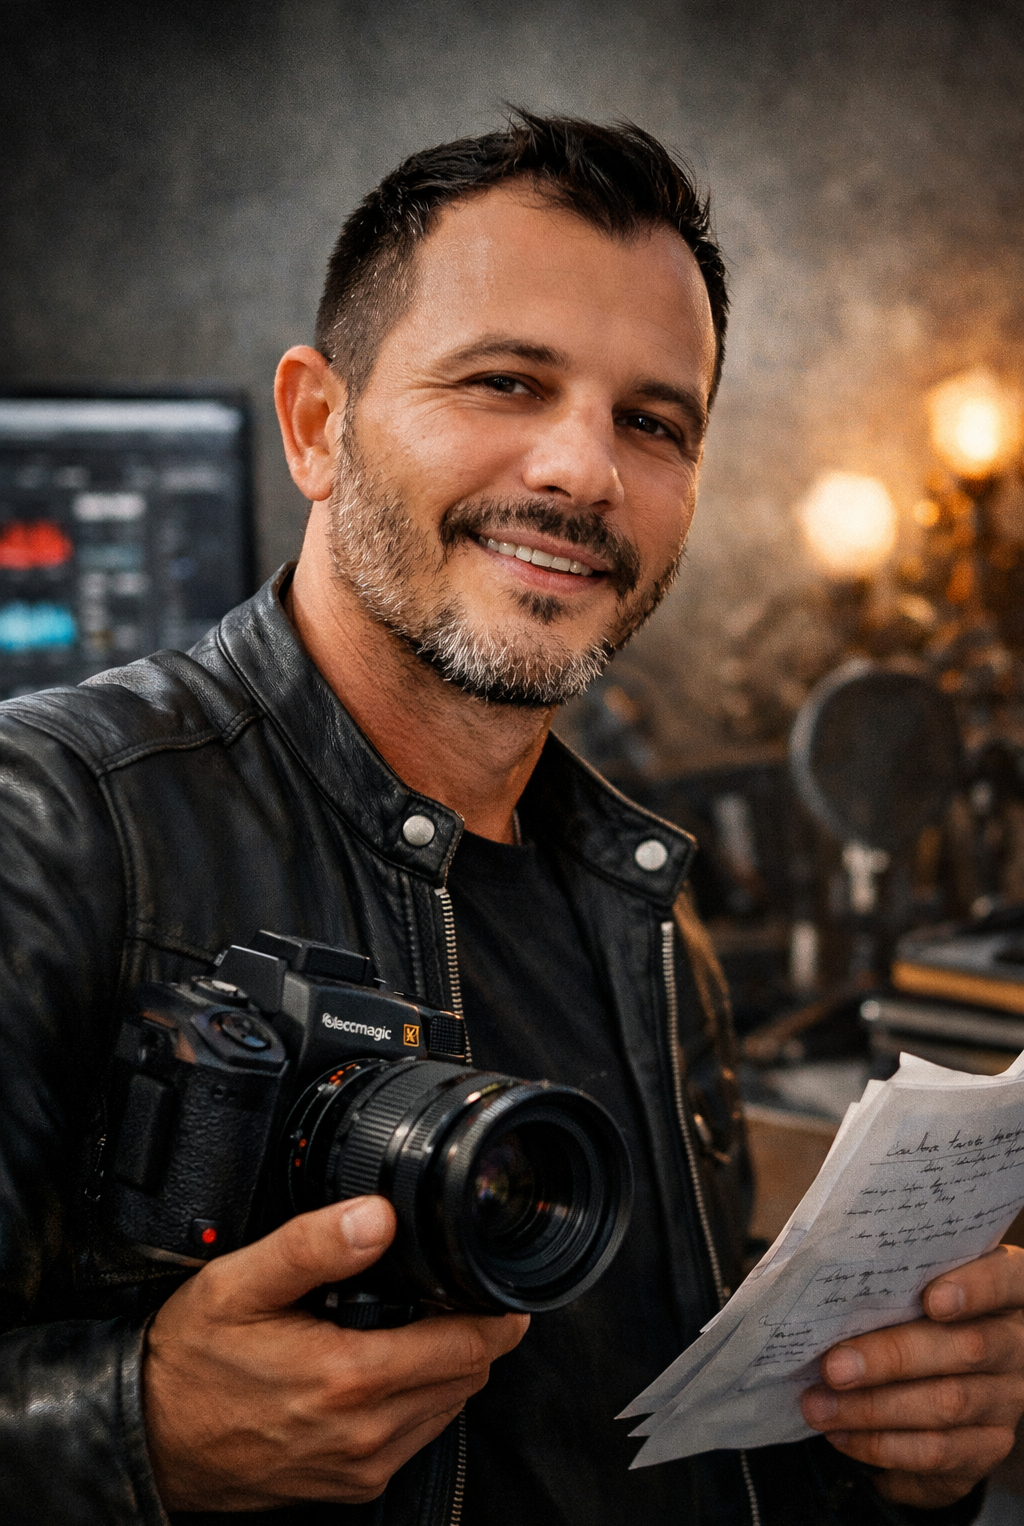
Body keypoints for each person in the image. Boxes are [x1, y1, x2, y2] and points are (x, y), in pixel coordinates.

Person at [0, 111, 1022, 1526]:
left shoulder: (658, 929)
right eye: (506, 381)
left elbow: (661, 1458)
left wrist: (909, 1460)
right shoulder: (50, 822)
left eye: (652, 422)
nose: (583, 470)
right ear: (317, 423)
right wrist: (143, 1431)